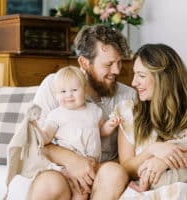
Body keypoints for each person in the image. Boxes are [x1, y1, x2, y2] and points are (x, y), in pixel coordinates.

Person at [26, 25, 136, 200]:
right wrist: (73, 161)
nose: (116, 70)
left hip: (102, 171)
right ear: (84, 62)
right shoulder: (56, 86)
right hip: (61, 170)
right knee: (49, 184)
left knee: (114, 173)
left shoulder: (128, 96)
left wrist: (91, 167)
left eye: (119, 62)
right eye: (108, 64)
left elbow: (129, 154)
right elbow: (36, 143)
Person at [116, 43, 187, 198]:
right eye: (135, 74)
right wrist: (152, 150)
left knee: (178, 192)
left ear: (164, 79)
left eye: (141, 76)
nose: (133, 83)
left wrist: (166, 161)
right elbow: (127, 168)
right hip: (147, 192)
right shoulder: (128, 112)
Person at [30, 66, 121, 199]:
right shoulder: (56, 115)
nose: (69, 95)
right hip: (65, 167)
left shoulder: (94, 110)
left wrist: (110, 125)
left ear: (84, 90)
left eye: (74, 90)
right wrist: (35, 127)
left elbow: (101, 131)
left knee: (82, 194)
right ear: (56, 95)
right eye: (63, 91)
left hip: (90, 165)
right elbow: (46, 138)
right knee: (70, 187)